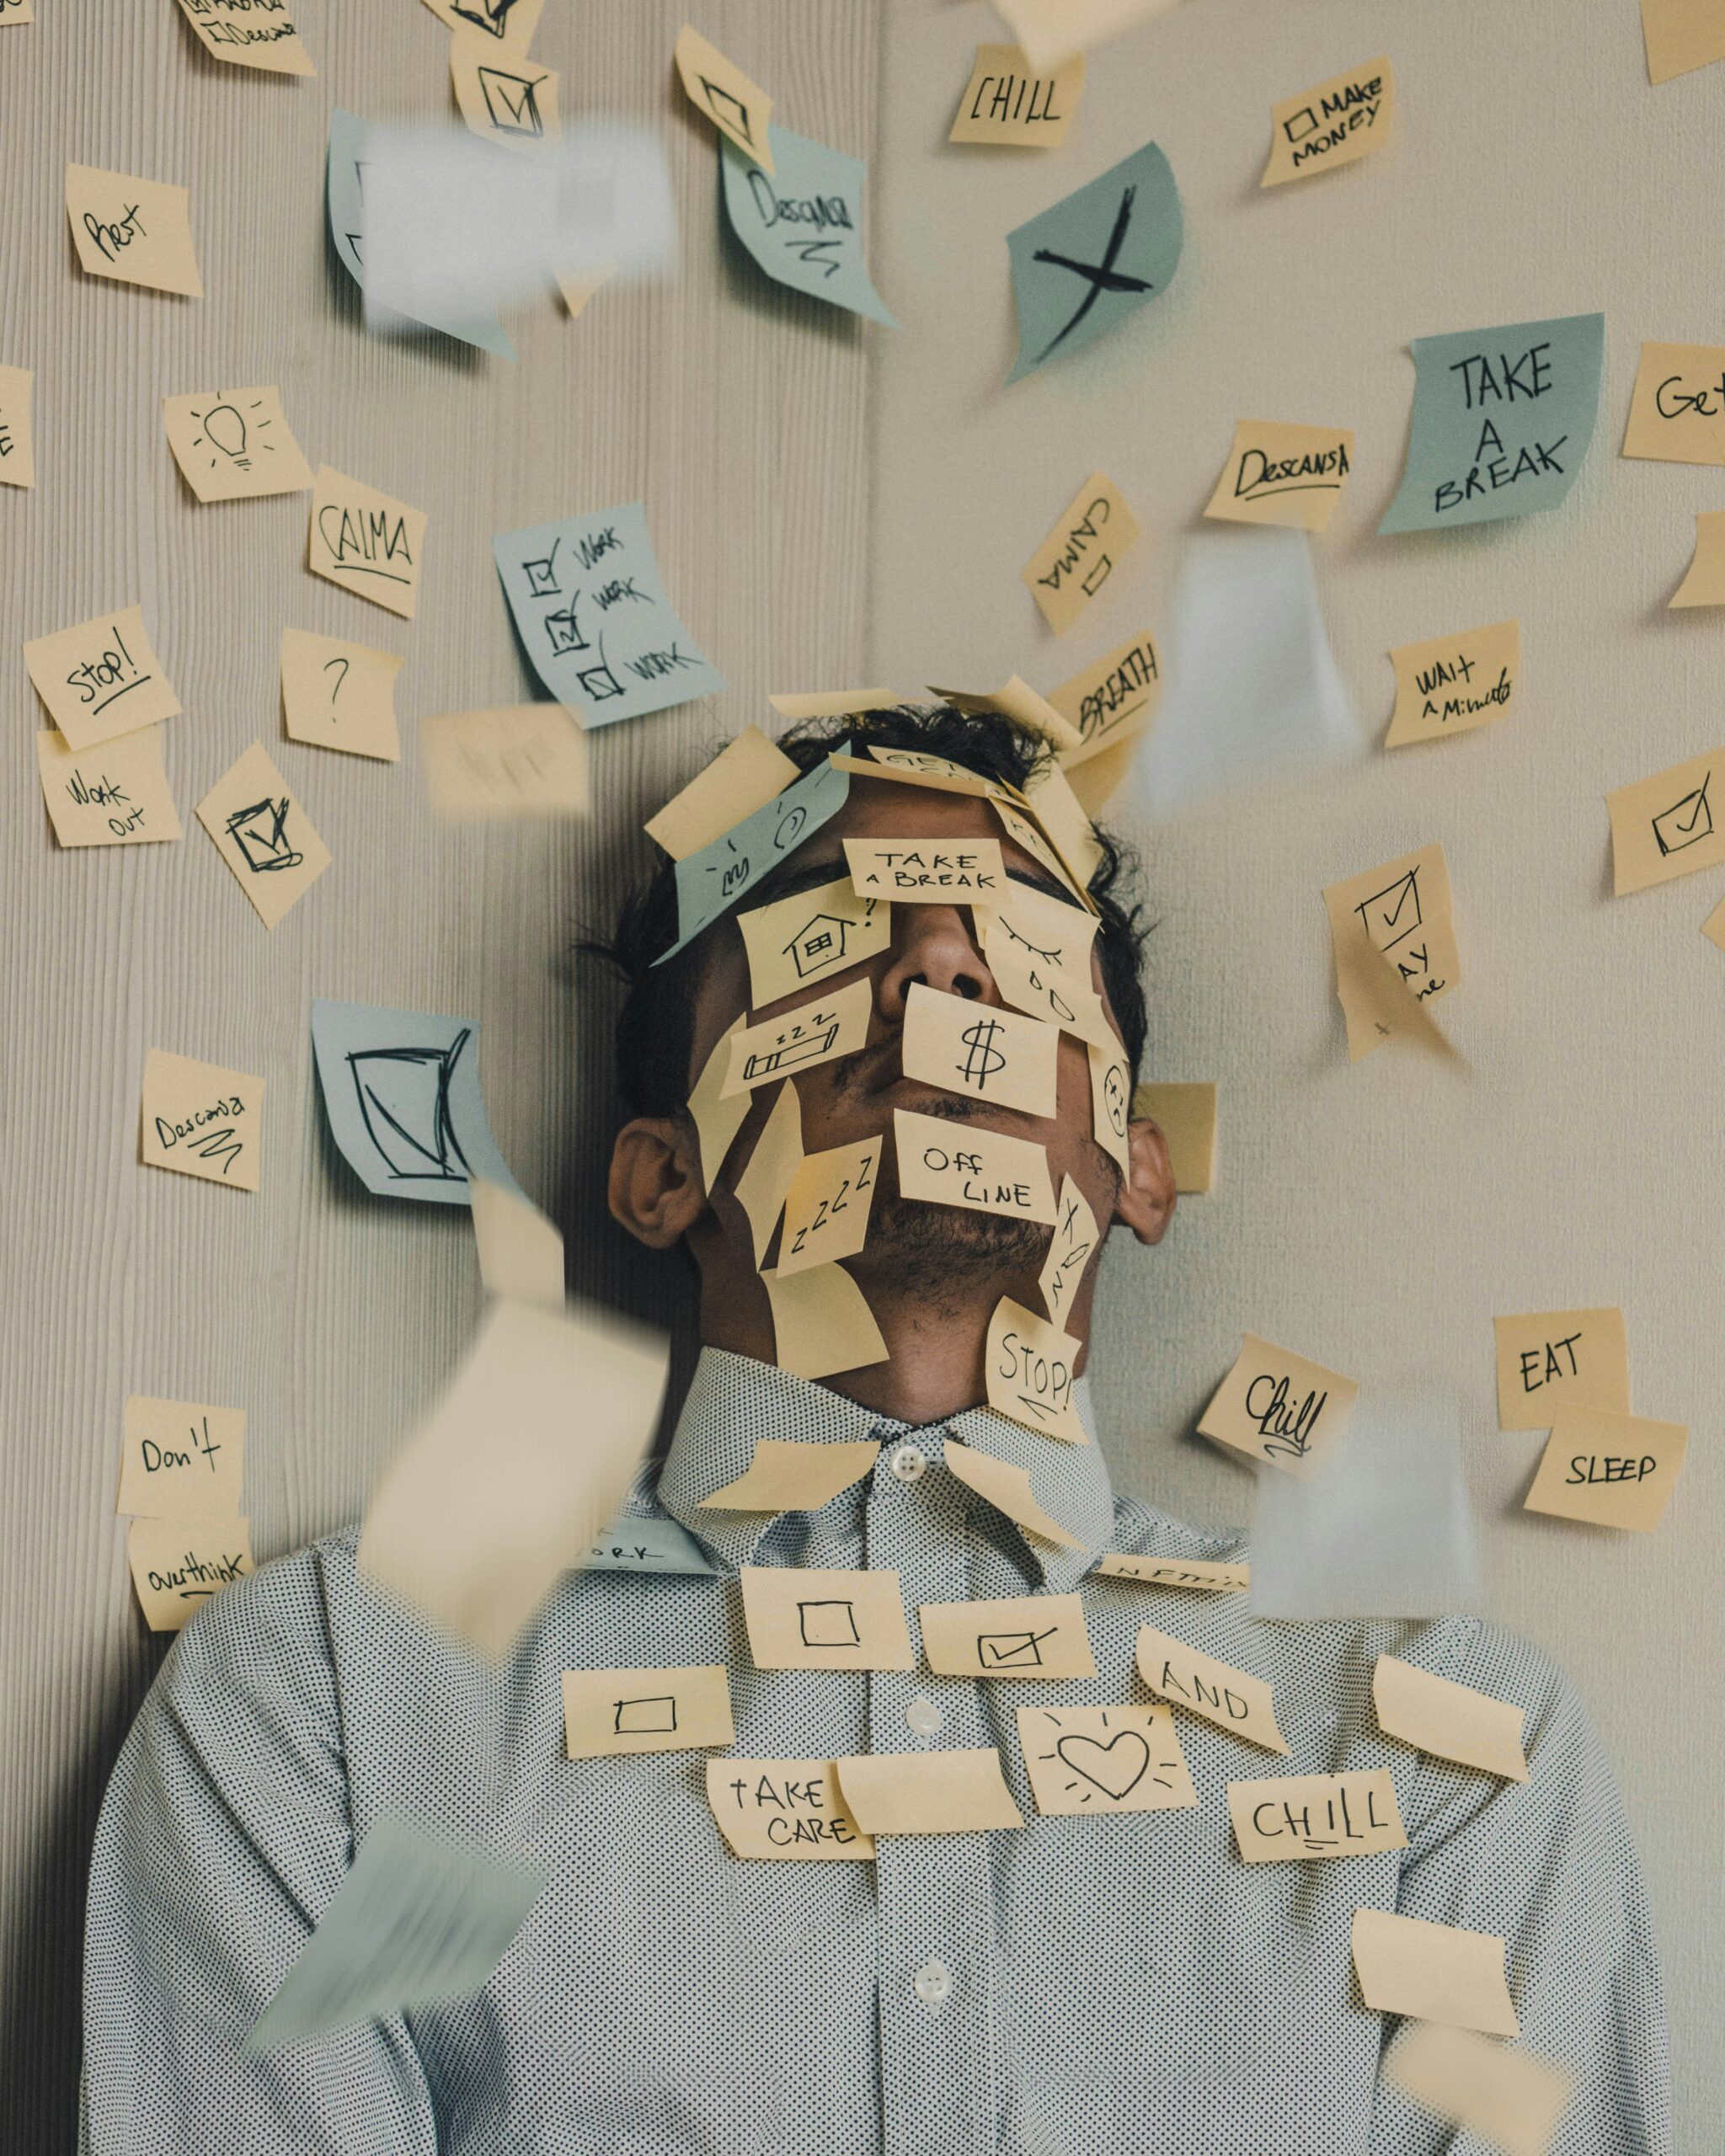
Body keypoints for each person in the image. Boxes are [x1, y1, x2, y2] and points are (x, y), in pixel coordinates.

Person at [82, 706, 1670, 2155]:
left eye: (1017, 945)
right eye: (830, 929)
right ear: (662, 1175)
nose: (937, 970)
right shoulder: (334, 1704)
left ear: (1132, 1165)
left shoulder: (1449, 1758)